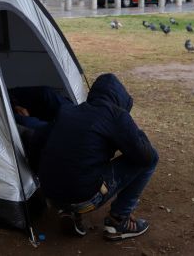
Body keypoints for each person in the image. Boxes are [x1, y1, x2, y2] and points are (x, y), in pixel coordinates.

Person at [38, 74, 158, 241]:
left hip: (49, 194)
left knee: (79, 164)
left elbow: (37, 139)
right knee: (151, 158)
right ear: (121, 98)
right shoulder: (116, 116)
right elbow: (145, 156)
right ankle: (119, 220)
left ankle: (68, 210)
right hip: (84, 198)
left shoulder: (67, 111)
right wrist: (137, 134)